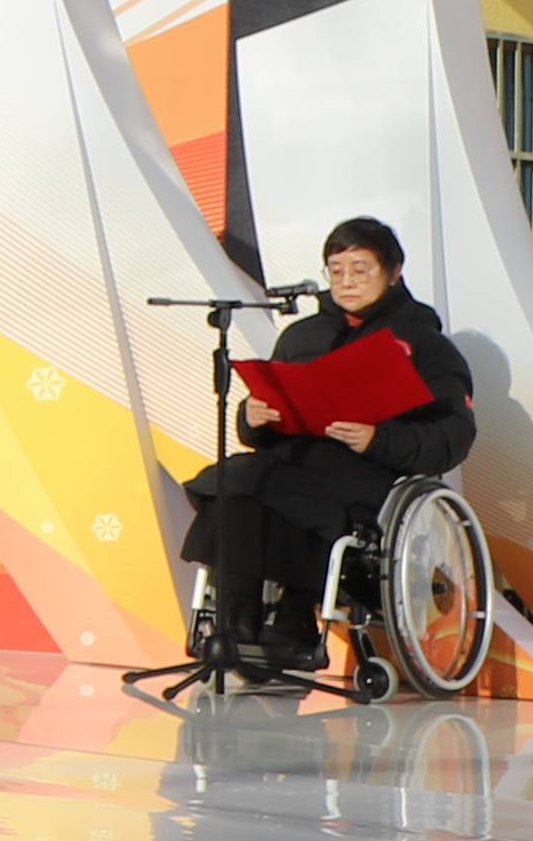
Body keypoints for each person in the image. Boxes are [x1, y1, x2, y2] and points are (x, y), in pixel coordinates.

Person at [181, 215, 480, 688]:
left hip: (368, 469)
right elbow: (267, 410)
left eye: (360, 269)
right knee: (237, 479)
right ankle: (235, 619)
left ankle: (296, 617)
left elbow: (453, 435)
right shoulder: (301, 337)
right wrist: (253, 417)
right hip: (291, 457)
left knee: (297, 491)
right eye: (336, 270)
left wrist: (377, 439)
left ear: (394, 271)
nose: (346, 282)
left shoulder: (425, 345)